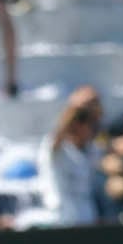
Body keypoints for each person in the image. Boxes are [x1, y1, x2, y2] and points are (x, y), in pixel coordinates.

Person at [37, 86, 105, 227]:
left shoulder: (92, 149)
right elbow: (60, 130)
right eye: (85, 121)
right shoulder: (56, 146)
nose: (90, 126)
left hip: (87, 217)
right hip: (59, 218)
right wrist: (76, 107)